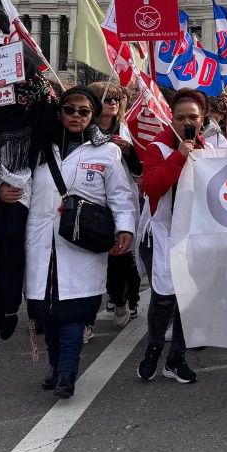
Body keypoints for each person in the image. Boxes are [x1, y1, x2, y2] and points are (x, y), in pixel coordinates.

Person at [26, 87, 136, 398]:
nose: (76, 116)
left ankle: (67, 373)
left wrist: (125, 228)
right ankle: (55, 364)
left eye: (84, 111)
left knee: (72, 311)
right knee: (48, 311)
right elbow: (21, 188)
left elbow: (121, 196)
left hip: (82, 242)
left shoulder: (106, 151)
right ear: (59, 112)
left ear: (93, 115)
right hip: (41, 242)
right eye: (69, 109)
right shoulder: (39, 148)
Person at [136, 89, 227, 387]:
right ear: (171, 119)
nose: (187, 122)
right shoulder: (157, 149)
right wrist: (179, 156)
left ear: (203, 120)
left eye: (193, 117)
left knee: (189, 299)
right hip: (163, 232)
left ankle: (177, 358)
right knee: (163, 298)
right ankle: (154, 348)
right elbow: (153, 186)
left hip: (196, 235)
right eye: (180, 117)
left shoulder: (210, 151)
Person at [89, 81, 141, 328]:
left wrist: (129, 151)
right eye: (107, 97)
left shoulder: (124, 129)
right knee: (90, 255)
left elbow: (138, 171)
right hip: (92, 199)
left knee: (119, 254)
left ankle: (121, 299)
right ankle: (86, 318)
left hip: (119, 199)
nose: (113, 102)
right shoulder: (84, 129)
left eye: (117, 98)